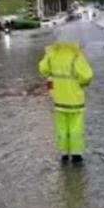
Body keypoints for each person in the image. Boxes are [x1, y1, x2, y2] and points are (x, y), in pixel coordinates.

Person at [38, 33, 93, 164]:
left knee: (61, 127)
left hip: (58, 99)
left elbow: (43, 70)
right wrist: (82, 84)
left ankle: (63, 154)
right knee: (75, 127)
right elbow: (87, 76)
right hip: (75, 99)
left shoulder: (52, 52)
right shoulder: (76, 54)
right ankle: (76, 155)